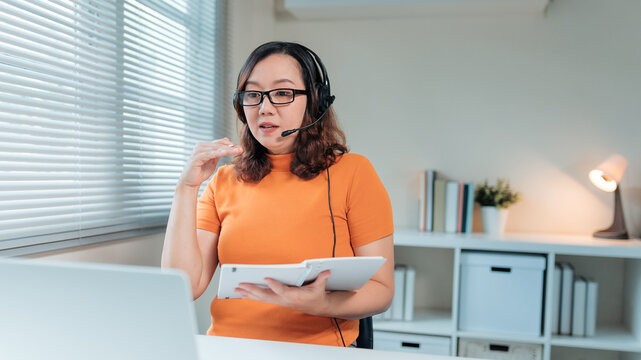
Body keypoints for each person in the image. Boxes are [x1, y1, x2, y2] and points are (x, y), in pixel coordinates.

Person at [161, 41, 394, 347]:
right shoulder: (223, 181)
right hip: (230, 349)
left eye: (283, 93)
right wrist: (186, 188)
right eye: (253, 94)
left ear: (315, 102)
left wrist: (319, 304)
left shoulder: (353, 173)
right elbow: (182, 287)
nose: (265, 107)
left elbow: (381, 289)